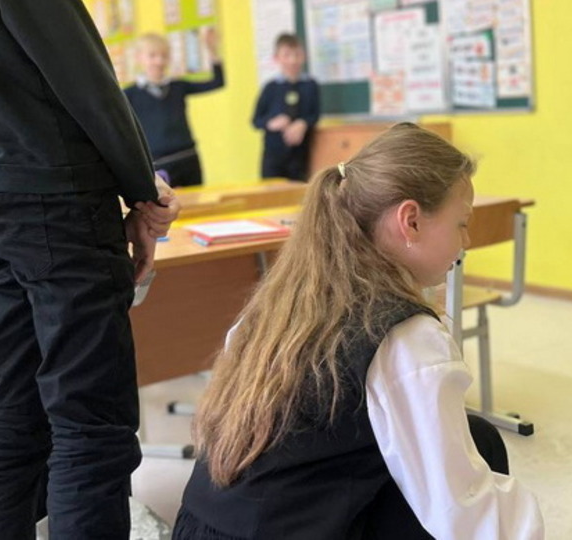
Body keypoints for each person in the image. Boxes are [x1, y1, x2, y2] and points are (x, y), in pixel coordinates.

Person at [173, 124, 544, 539]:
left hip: (201, 528)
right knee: (474, 464)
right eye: (461, 224)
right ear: (411, 221)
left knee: (478, 437)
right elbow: (463, 510)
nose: (466, 241)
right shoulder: (405, 336)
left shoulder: (283, 300)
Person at [0, 0, 180, 538]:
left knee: (8, 408)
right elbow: (80, 73)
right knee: (90, 426)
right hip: (54, 193)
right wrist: (143, 189)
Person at [124, 28, 225, 187]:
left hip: (187, 157)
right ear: (139, 58)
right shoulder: (129, 94)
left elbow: (217, 82)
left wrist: (212, 50)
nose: (159, 61)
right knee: (164, 202)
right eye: (152, 56)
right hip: (158, 163)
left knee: (197, 201)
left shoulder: (178, 86)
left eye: (164, 56)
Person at [253, 33, 321, 182]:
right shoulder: (270, 88)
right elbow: (255, 120)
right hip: (273, 156)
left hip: (300, 156)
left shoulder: (311, 85)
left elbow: (315, 115)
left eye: (297, 55)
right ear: (277, 58)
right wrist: (271, 123)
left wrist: (303, 123)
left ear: (303, 56)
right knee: (272, 191)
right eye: (287, 55)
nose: (292, 60)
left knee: (299, 190)